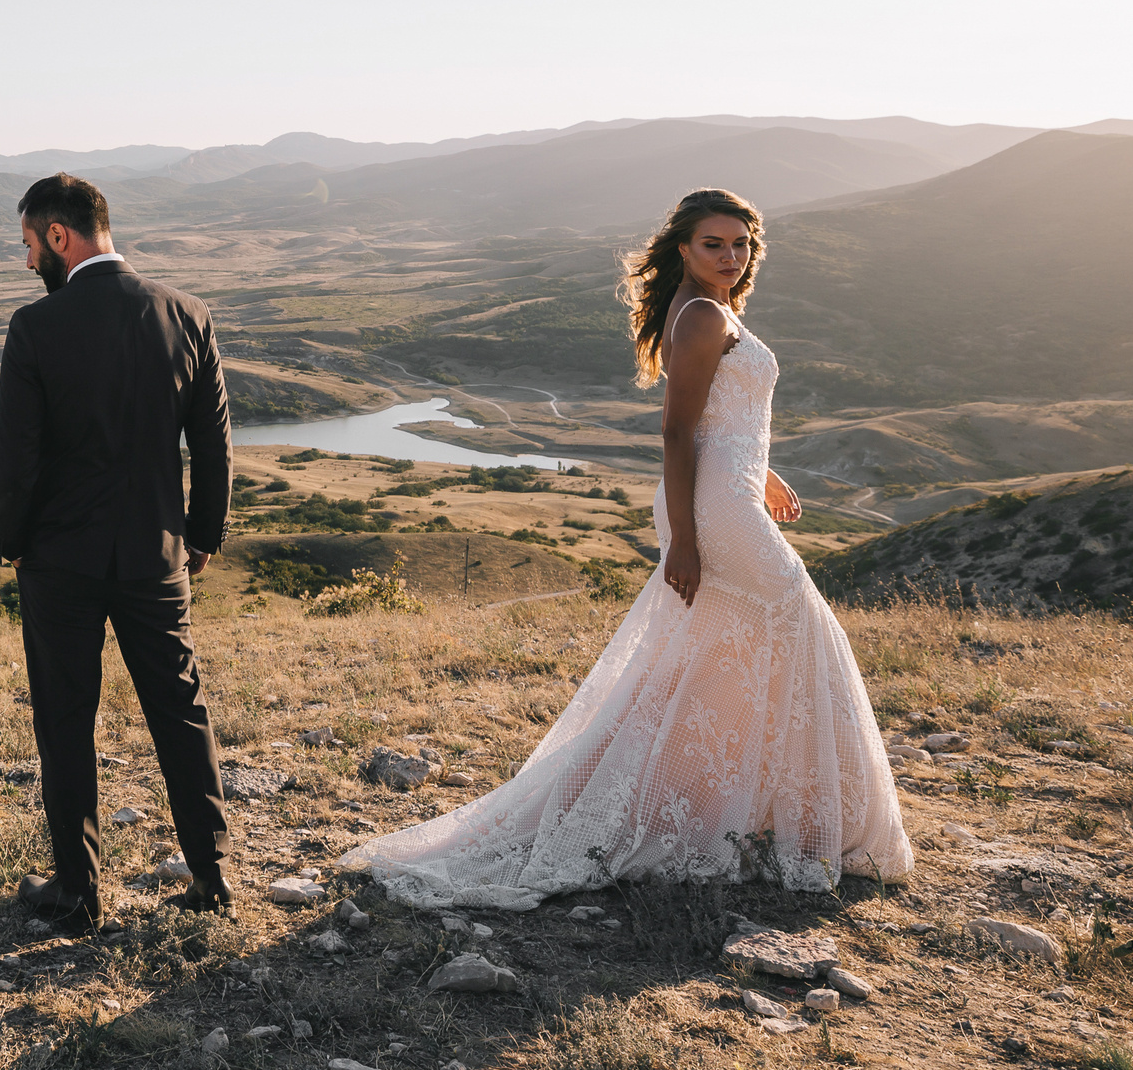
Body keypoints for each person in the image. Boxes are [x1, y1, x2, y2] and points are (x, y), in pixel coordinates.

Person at [340, 188, 912, 908]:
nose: (730, 256)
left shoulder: (708, 309)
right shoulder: (703, 314)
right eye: (714, 243)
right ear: (683, 247)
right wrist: (686, 538)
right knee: (799, 627)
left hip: (725, 494)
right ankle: (788, 822)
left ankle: (736, 814)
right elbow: (676, 432)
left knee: (718, 661)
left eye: (740, 244)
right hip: (716, 512)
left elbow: (718, 418)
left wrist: (757, 466)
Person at [0, 172, 236, 930]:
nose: (29, 262)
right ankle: (214, 880)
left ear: (59, 236)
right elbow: (215, 445)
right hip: (155, 557)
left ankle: (78, 892)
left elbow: (13, 457)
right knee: (180, 711)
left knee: (66, 721)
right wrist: (199, 537)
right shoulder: (186, 314)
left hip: (59, 564)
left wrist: (14, 544)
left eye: (29, 245)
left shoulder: (36, 329)